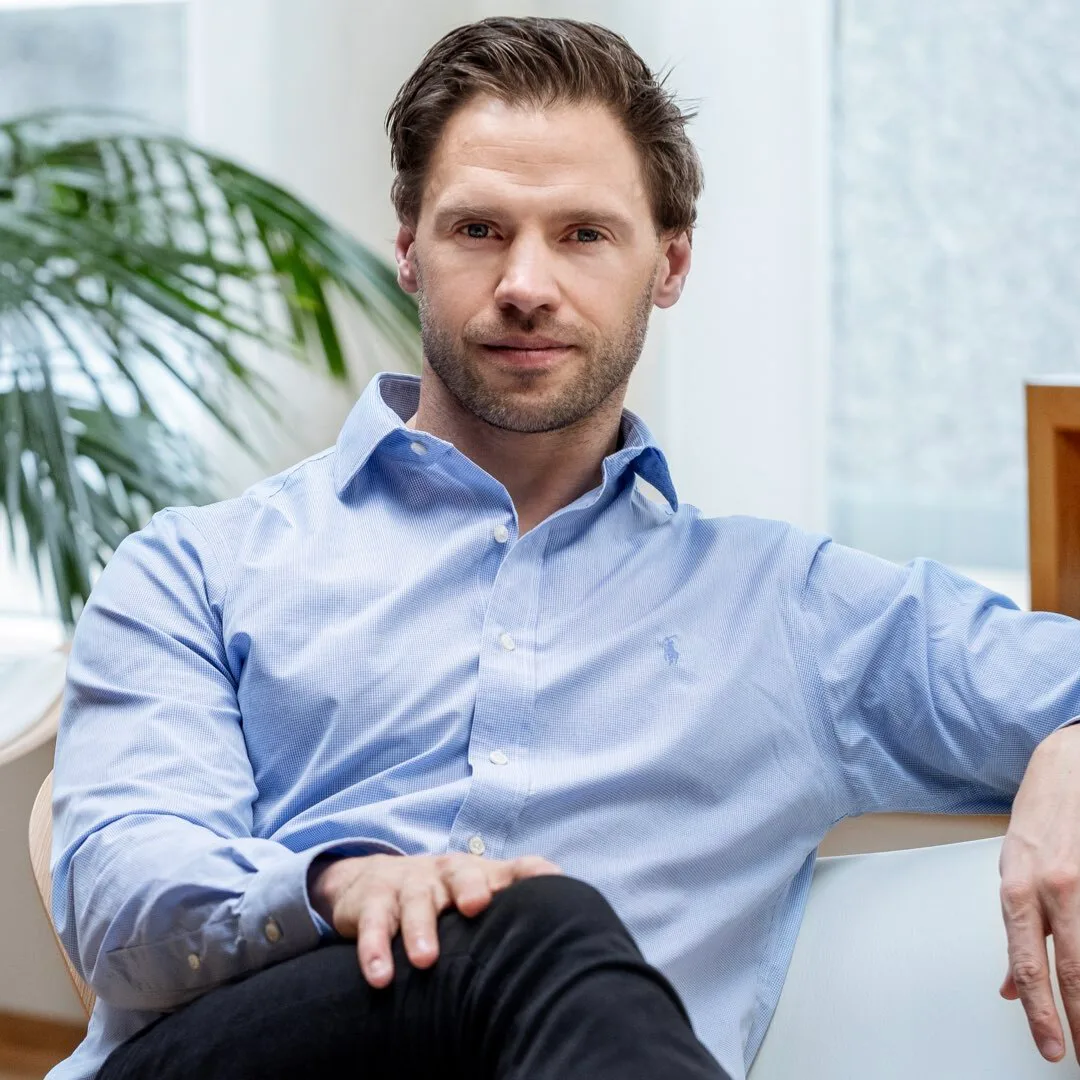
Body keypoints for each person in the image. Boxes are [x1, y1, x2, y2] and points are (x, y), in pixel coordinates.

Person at [47, 16, 1080, 1080]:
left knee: (538, 930)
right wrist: (341, 886)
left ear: (669, 263)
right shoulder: (198, 568)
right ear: (408, 249)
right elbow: (116, 892)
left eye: (584, 234)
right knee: (528, 925)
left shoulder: (794, 611)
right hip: (247, 1048)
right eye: (478, 229)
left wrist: (1070, 749)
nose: (526, 284)